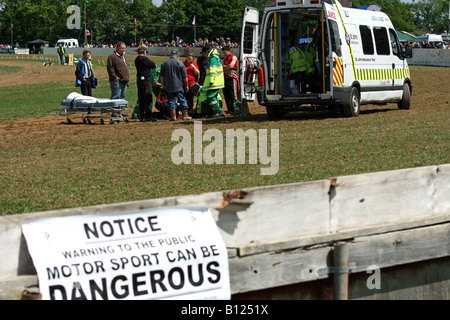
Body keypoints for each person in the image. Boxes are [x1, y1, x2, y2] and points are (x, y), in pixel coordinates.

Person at [160, 48, 192, 121]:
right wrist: (186, 86)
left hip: (168, 85)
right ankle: (185, 115)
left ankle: (173, 117)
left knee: (171, 100)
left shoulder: (164, 63)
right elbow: (185, 77)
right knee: (182, 99)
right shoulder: (180, 63)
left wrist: (163, 85)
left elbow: (162, 76)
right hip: (178, 85)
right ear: (177, 55)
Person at [201, 45, 225, 118]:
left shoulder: (212, 57)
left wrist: (211, 80)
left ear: (206, 52)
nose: (203, 55)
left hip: (214, 82)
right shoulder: (214, 57)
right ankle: (216, 112)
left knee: (210, 96)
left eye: (203, 53)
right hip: (216, 81)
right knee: (213, 97)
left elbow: (213, 70)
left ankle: (219, 111)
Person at [135, 47, 157, 122]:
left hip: (139, 79)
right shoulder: (144, 59)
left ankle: (141, 115)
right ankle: (148, 115)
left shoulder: (137, 59)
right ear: (144, 52)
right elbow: (153, 65)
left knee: (141, 97)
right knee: (148, 97)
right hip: (146, 79)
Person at [222, 46, 239, 115]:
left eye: (225, 52)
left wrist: (226, 67)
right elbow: (223, 68)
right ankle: (229, 109)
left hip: (232, 77)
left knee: (232, 94)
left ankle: (234, 109)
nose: (224, 54)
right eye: (223, 52)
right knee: (226, 94)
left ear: (229, 51)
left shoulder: (233, 57)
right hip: (225, 77)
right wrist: (227, 67)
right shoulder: (225, 58)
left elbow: (231, 65)